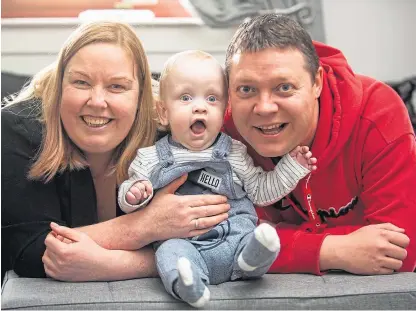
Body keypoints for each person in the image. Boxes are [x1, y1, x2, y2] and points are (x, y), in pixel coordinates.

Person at [1, 21, 231, 283]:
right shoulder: (16, 129)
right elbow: (27, 251)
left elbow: (220, 239)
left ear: (141, 96)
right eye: (81, 82)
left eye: (117, 87)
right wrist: (144, 226)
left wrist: (118, 264)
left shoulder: (172, 132)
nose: (97, 101)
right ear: (59, 86)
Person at [117, 50, 317, 307]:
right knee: (168, 254)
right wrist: (135, 193)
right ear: (163, 112)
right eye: (186, 97)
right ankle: (188, 285)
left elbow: (259, 191)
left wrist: (292, 167)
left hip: (235, 237)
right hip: (185, 244)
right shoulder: (152, 157)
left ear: (224, 111)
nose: (200, 106)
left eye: (211, 98)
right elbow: (127, 198)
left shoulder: (233, 152)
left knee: (256, 237)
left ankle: (252, 260)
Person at [222, 13, 416, 275]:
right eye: (246, 89)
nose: (264, 108)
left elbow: (399, 254)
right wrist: (334, 249)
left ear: (316, 82)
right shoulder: (222, 133)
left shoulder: (378, 115)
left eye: (284, 87)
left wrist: (274, 242)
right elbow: (221, 246)